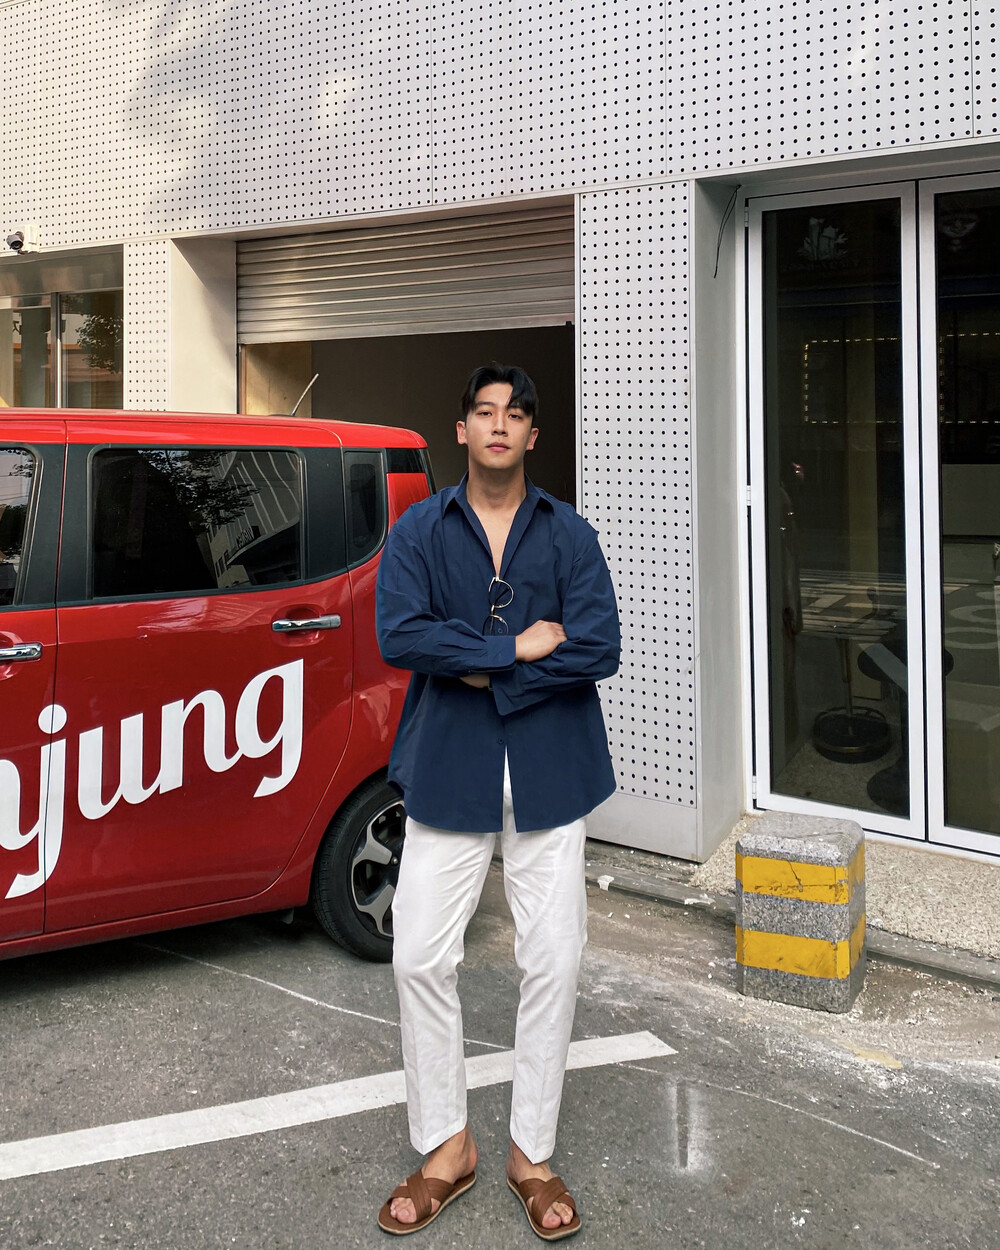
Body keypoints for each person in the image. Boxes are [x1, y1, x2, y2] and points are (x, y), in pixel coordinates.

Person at [374, 363, 620, 1240]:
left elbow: (597, 645)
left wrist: (482, 672)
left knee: (553, 959)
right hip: (451, 766)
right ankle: (448, 1144)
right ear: (463, 430)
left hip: (552, 771)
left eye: (515, 414)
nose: (499, 425)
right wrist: (510, 650)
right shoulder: (418, 529)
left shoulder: (570, 534)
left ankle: (531, 1154)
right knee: (417, 957)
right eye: (484, 412)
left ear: (532, 435)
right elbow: (400, 633)